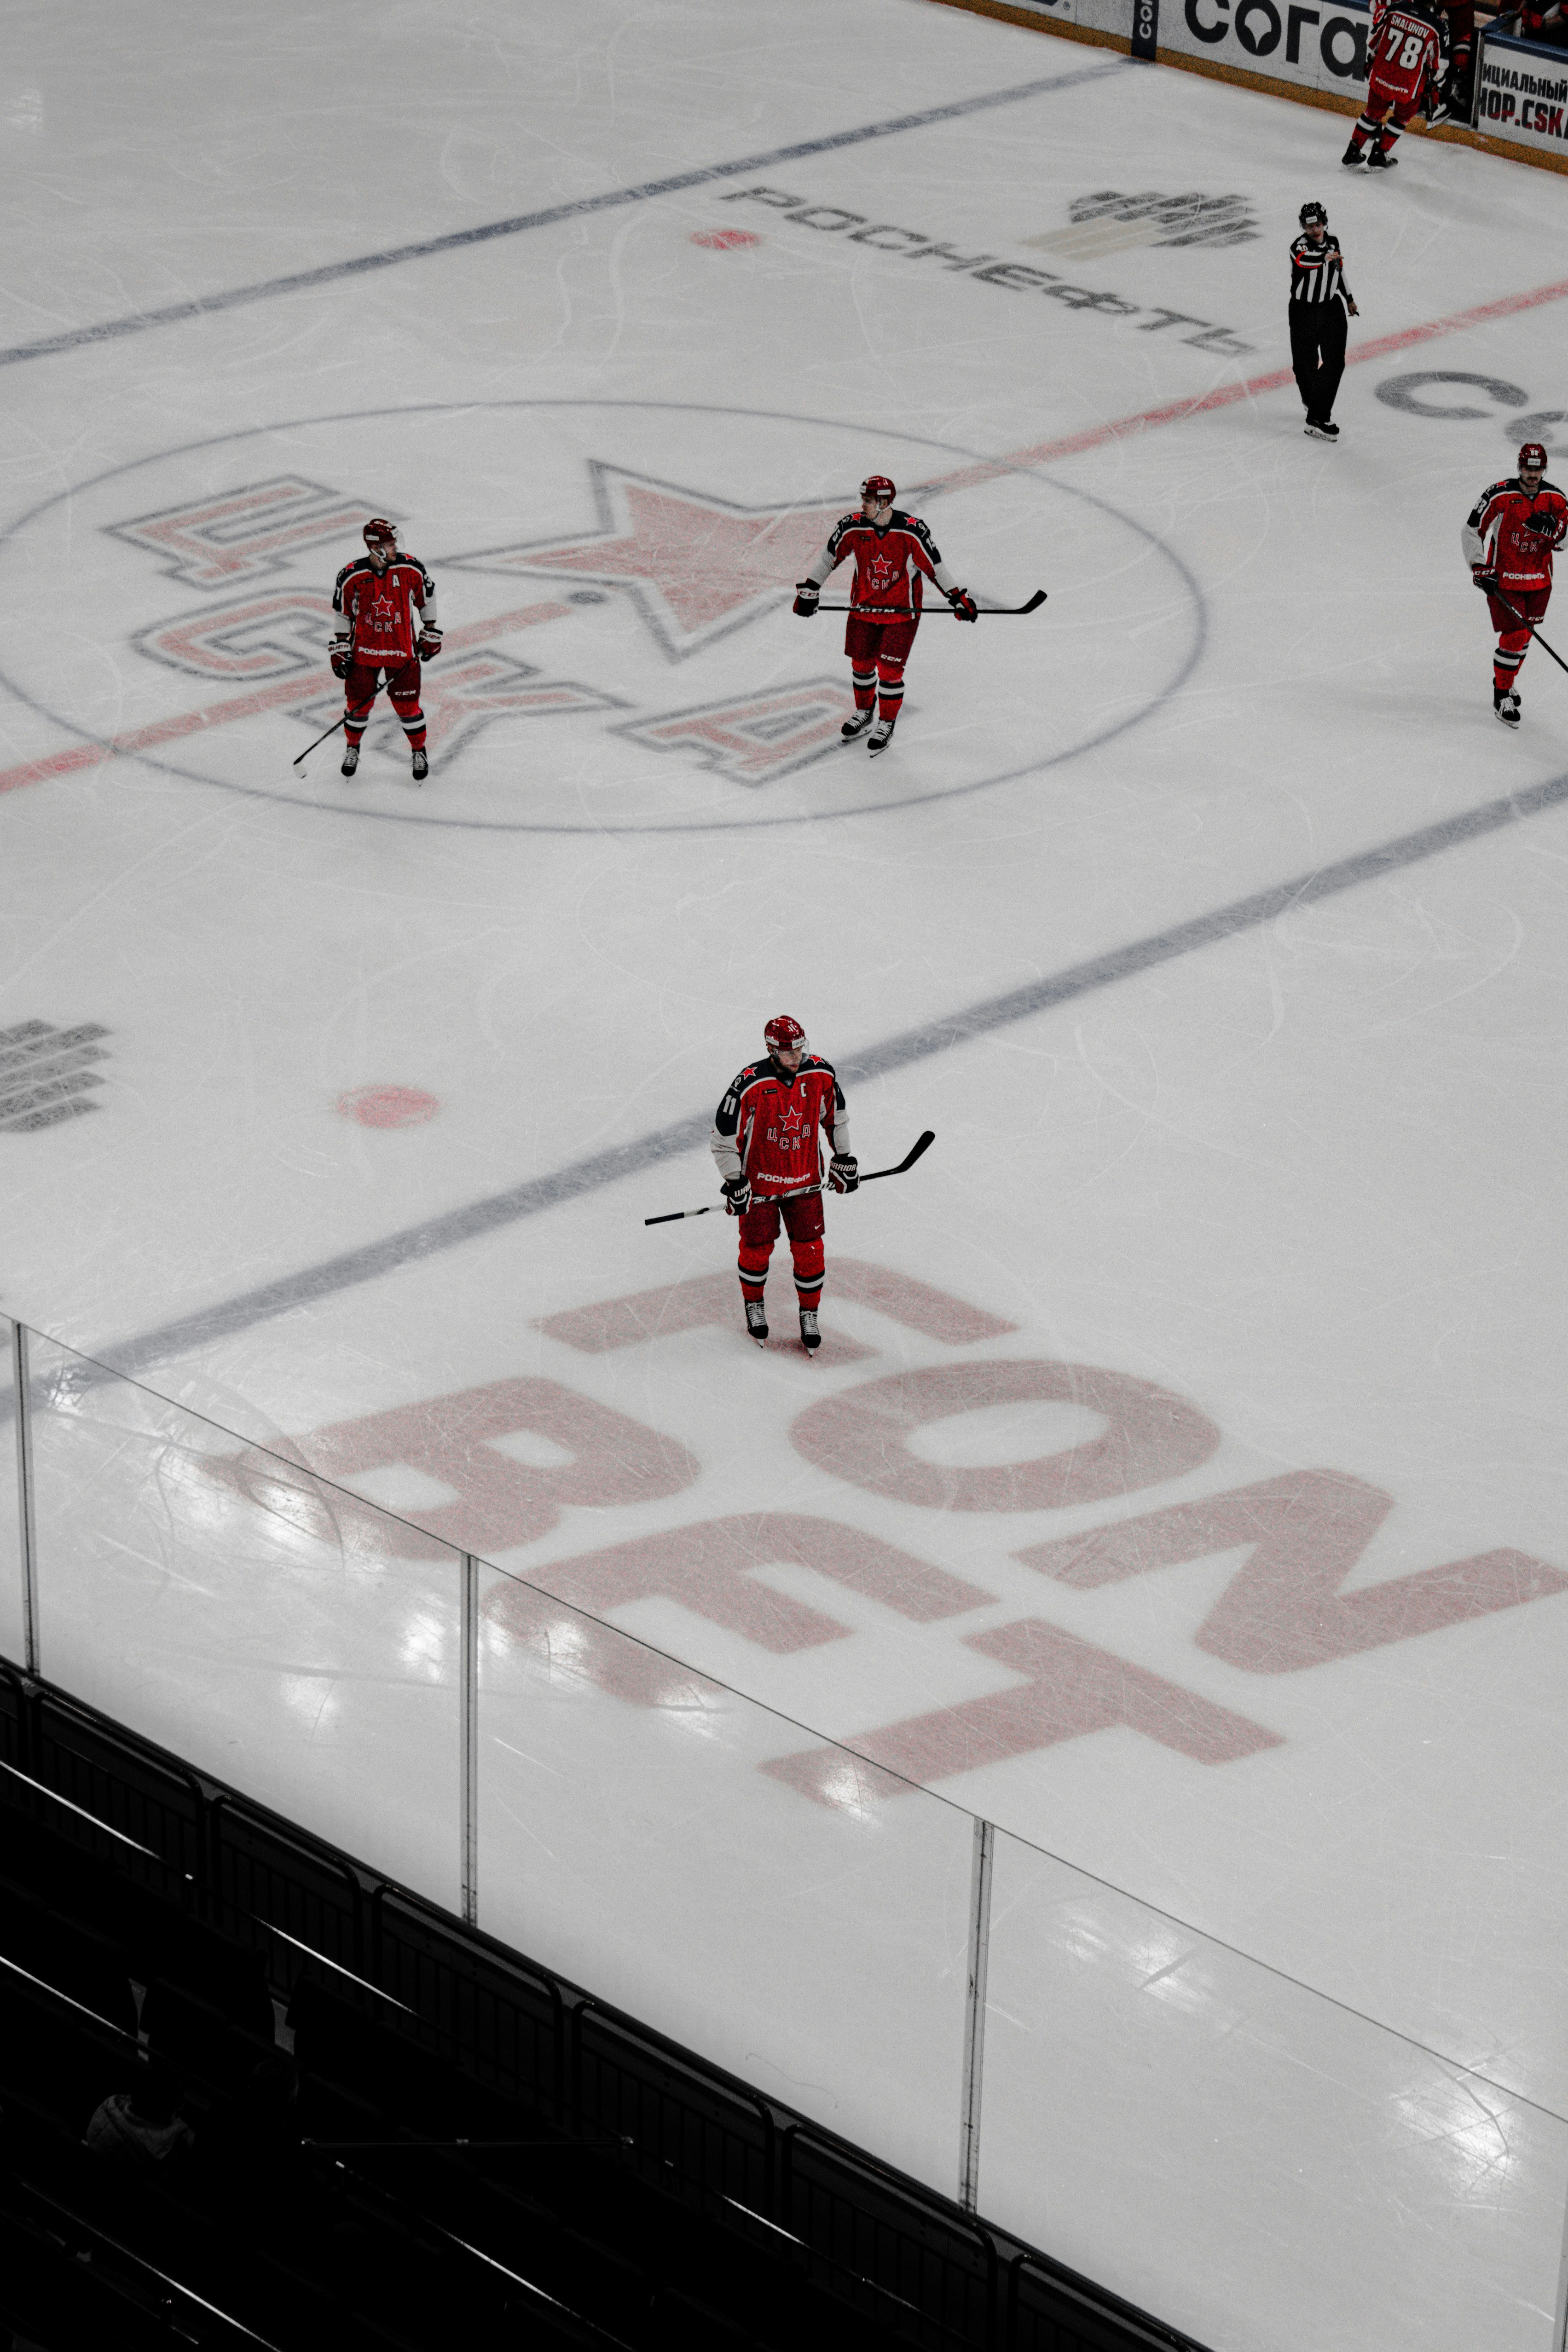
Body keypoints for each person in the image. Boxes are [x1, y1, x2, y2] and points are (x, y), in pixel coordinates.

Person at [793, 476, 977, 757]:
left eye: (867, 500)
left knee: (890, 672)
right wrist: (811, 590)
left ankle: (886, 723)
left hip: (902, 614)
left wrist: (957, 599)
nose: (862, 505)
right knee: (861, 665)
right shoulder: (852, 525)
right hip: (863, 609)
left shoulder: (912, 531)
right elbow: (829, 558)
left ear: (883, 502)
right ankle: (865, 713)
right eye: (863, 499)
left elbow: (935, 569)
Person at [710, 1015, 856, 1353]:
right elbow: (723, 1139)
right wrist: (735, 1181)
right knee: (756, 1249)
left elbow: (836, 1118)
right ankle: (754, 1304)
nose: (796, 1058)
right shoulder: (749, 1084)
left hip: (805, 1181)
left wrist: (844, 1158)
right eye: (789, 1053)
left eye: (800, 1050)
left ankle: (809, 1313)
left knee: (810, 1250)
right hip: (760, 1186)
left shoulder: (820, 1073)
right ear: (771, 1051)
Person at [1462, 440, 1568, 726]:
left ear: (1544, 469)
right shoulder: (1499, 495)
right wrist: (1479, 565)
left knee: (1525, 636)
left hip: (1540, 581)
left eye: (1538, 470)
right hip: (1504, 579)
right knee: (1516, 637)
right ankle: (1501, 694)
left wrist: (1555, 534)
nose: (1532, 476)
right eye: (1527, 469)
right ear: (1519, 467)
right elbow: (1473, 530)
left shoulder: (1556, 499)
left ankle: (1505, 679)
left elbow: (1566, 541)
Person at [330, 519, 442, 780]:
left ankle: (419, 751)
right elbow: (344, 613)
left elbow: (427, 598)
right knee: (357, 707)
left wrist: (431, 630)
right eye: (390, 545)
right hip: (363, 653)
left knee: (407, 708)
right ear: (376, 548)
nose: (395, 549)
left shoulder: (410, 568)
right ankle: (353, 748)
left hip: (401, 651)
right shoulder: (351, 575)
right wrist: (340, 647)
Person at [1288, 204, 1359, 443]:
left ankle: (1318, 418)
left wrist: (1349, 299)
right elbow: (1304, 261)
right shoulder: (1298, 247)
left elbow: (1339, 271)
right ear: (1303, 227)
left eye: (1318, 224)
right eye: (1309, 226)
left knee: (1335, 363)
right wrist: (1324, 257)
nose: (1315, 230)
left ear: (1324, 223)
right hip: (1303, 312)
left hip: (1331, 309)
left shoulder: (1334, 242)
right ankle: (1313, 401)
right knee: (1304, 367)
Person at [1342, 0, 1444, 166]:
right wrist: (1436, 85)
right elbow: (1439, 65)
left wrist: (1372, 59)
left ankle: (1352, 151)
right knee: (1401, 118)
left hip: (1382, 75)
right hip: (1409, 85)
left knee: (1372, 113)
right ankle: (1380, 153)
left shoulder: (1395, 9)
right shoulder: (1436, 25)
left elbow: (1373, 40)